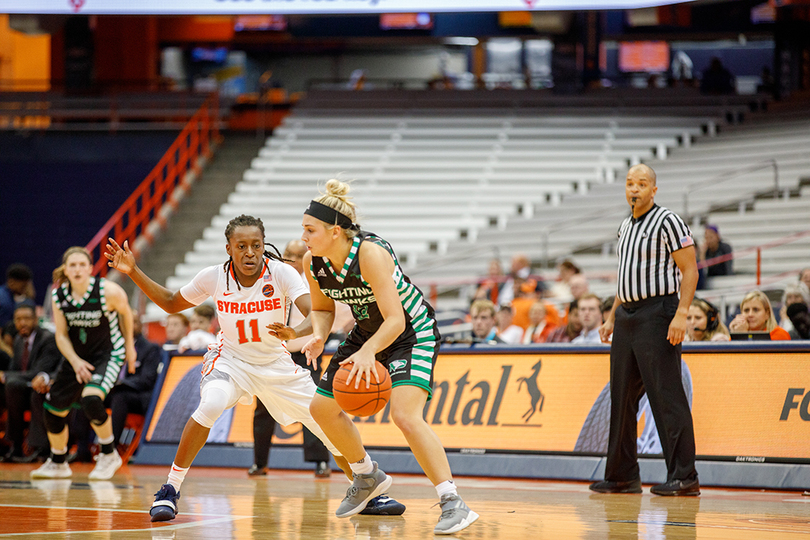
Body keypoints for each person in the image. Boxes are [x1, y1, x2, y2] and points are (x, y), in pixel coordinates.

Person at [105, 215, 401, 522]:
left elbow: (313, 311)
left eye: (256, 245)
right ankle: (170, 489)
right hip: (230, 360)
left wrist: (296, 332)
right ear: (229, 248)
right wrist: (133, 271)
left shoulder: (281, 272)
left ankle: (368, 491)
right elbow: (170, 302)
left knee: (328, 427)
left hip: (275, 363)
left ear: (263, 245)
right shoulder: (214, 277)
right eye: (241, 246)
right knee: (211, 404)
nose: (250, 253)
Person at [300, 180, 479, 534]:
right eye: (303, 229)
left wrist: (369, 352)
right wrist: (319, 335)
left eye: (310, 229)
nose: (303, 236)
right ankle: (367, 475)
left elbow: (396, 319)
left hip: (411, 331)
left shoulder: (370, 254)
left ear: (335, 231)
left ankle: (453, 501)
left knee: (405, 415)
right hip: (368, 331)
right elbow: (322, 308)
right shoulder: (313, 261)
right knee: (321, 409)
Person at [590, 164, 700, 496]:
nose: (634, 189)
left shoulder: (668, 221)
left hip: (658, 313)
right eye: (629, 183)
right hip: (627, 316)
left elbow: (690, 270)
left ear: (654, 190)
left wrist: (681, 314)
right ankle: (622, 475)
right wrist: (612, 317)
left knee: (666, 396)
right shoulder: (625, 226)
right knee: (621, 396)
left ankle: (684, 476)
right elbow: (626, 276)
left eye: (641, 184)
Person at [30, 247, 136, 481]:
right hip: (77, 357)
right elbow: (61, 335)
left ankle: (109, 454)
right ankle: (58, 462)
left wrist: (130, 346)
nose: (77, 269)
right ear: (66, 270)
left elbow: (126, 313)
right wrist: (76, 361)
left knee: (91, 398)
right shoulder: (59, 296)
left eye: (82, 265)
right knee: (53, 409)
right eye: (72, 265)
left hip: (108, 354)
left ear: (90, 268)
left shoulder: (108, 291)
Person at [249, 239, 348, 484]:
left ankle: (321, 461)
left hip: (306, 353)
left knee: (314, 405)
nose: (291, 259)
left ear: (306, 257)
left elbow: (325, 316)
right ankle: (260, 462)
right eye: (288, 254)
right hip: (274, 353)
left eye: (297, 255)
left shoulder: (313, 283)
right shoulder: (270, 280)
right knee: (263, 407)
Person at [0, 302, 63, 462]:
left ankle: (38, 448)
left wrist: (5, 375)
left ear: (36, 319)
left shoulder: (48, 338)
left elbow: (39, 372)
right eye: (18, 319)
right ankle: (11, 446)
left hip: (47, 385)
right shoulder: (19, 340)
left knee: (16, 386)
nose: (22, 323)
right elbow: (15, 370)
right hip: (24, 390)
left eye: (27, 318)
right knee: (9, 387)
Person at [0, 264, 35, 328]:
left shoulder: (4, 294)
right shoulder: (5, 303)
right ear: (11, 282)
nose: (26, 289)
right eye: (23, 286)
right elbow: (3, 330)